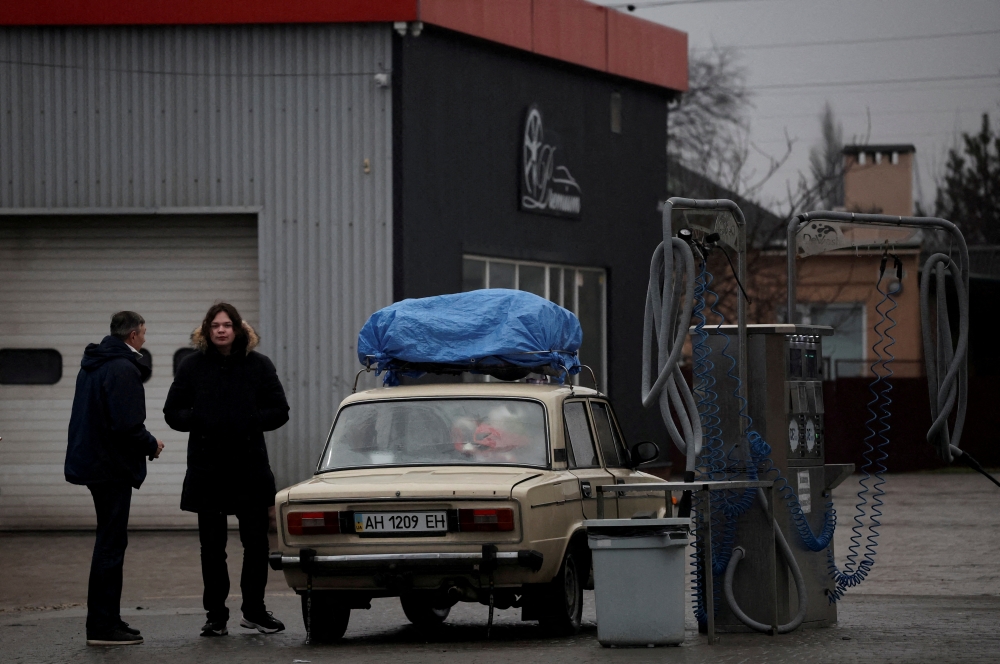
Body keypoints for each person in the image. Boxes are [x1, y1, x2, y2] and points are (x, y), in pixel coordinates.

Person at [164, 303, 289, 637]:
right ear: (207, 330)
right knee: (212, 549)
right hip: (209, 471)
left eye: (227, 325)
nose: (221, 330)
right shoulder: (192, 367)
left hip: (249, 468)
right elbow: (172, 411)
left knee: (257, 545)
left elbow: (280, 410)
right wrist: (201, 420)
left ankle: (255, 612)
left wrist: (249, 420)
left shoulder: (259, 366)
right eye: (215, 325)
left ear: (238, 329)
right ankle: (215, 616)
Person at [65, 311, 164, 647]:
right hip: (111, 468)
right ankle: (102, 628)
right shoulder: (122, 368)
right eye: (145, 333)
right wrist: (152, 444)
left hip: (97, 464)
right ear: (134, 335)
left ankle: (107, 617)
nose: (146, 339)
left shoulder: (95, 364)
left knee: (110, 542)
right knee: (110, 545)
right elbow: (126, 425)